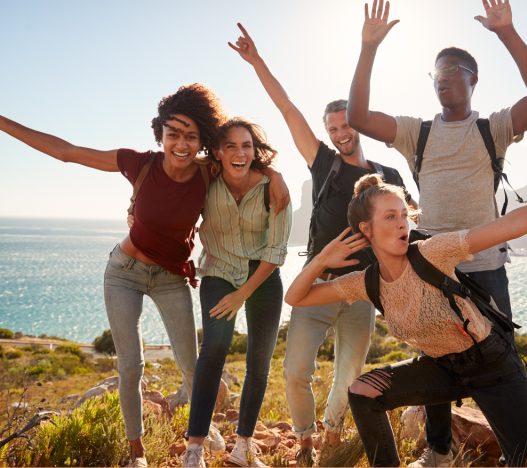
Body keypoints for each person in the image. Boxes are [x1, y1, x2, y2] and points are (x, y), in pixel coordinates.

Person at [0, 85, 289, 467]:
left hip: (171, 277)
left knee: (194, 363)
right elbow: (67, 153)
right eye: (173, 134)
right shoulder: (140, 163)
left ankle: (201, 429)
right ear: (160, 134)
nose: (181, 144)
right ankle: (138, 452)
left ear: (202, 140)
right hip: (125, 272)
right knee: (130, 365)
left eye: (191, 136)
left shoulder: (208, 170)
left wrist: (274, 172)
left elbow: (243, 158)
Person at [285, 165, 527, 467]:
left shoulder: (432, 252)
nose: (401, 225)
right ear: (366, 229)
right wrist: (320, 260)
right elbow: (296, 297)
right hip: (442, 368)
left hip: (493, 366)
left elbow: (515, 222)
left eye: (404, 215)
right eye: (389, 217)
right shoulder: (367, 282)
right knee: (363, 392)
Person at [346, 0, 527, 464]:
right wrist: (368, 49)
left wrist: (507, 34)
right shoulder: (415, 133)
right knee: (437, 356)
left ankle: (517, 452)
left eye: (453, 70)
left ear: (472, 79)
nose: (443, 77)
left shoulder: (492, 128)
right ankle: (439, 451)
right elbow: (358, 116)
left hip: (484, 269)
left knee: (505, 367)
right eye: (436, 73)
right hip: (429, 268)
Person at [228, 23, 415, 466]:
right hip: (315, 285)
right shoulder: (324, 163)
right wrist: (257, 62)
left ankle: (331, 431)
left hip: (362, 291)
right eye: (332, 127)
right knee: (296, 372)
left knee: (349, 374)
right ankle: (305, 439)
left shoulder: (390, 176)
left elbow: (412, 229)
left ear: (358, 122)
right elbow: (287, 106)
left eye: (345, 124)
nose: (339, 133)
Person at [182, 118, 292, 468]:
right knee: (213, 348)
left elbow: (276, 252)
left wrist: (243, 293)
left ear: (254, 151)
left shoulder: (273, 189)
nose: (239, 153)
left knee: (259, 363)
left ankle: (243, 446)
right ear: (217, 151)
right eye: (230, 146)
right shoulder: (206, 179)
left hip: (262, 277)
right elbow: (177, 196)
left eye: (246, 146)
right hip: (217, 272)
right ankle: (194, 448)